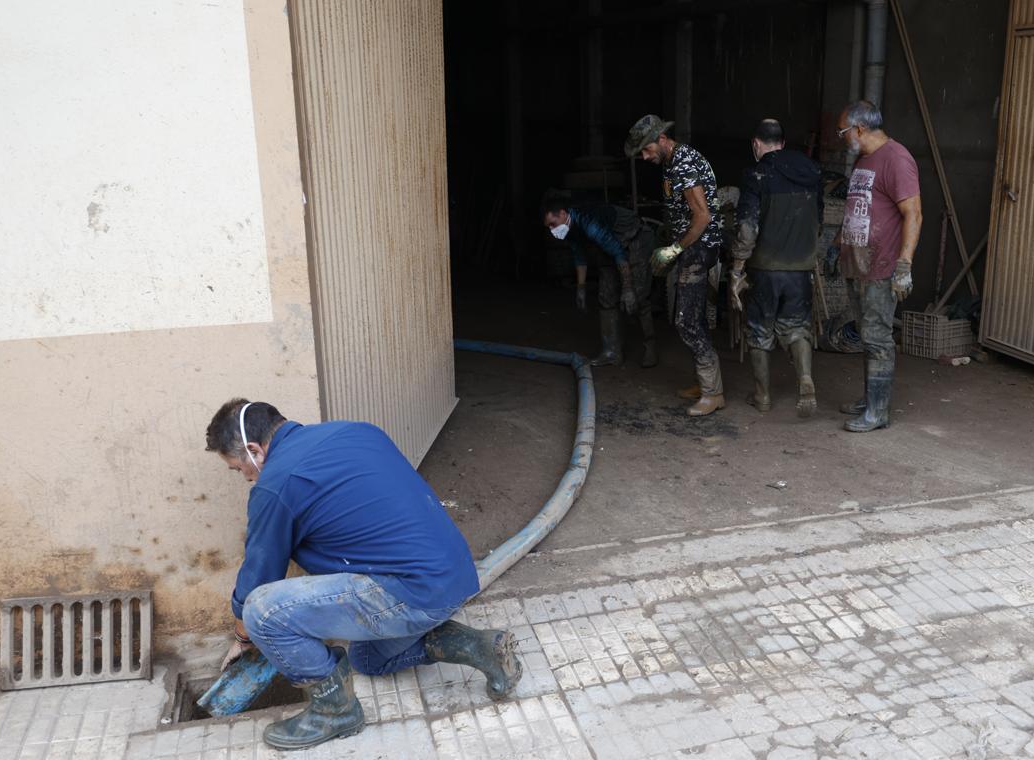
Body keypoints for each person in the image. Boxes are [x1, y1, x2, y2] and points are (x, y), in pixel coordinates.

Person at [207, 399, 522, 750]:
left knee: (262, 611)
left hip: (409, 590)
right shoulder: (356, 430)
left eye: (239, 469)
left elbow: (258, 576)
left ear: (254, 450)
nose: (247, 477)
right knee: (367, 659)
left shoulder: (275, 485)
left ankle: (334, 713)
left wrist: (244, 637)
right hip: (454, 577)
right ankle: (480, 647)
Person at [624, 114, 725, 416]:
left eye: (646, 149)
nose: (644, 156)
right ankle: (705, 383)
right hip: (690, 246)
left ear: (662, 139)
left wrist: (675, 249)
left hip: (699, 248)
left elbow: (703, 216)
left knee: (686, 320)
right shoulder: (672, 161)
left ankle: (713, 392)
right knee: (694, 317)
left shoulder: (683, 162)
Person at [834, 100, 922, 432]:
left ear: (858, 129)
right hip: (859, 264)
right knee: (867, 336)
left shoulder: (897, 159)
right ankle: (871, 397)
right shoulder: (864, 158)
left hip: (882, 266)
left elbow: (914, 213)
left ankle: (878, 411)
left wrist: (904, 265)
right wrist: (838, 246)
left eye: (843, 131)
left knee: (877, 338)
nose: (841, 137)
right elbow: (859, 208)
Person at [729, 119, 823, 417]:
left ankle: (763, 397)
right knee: (796, 328)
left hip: (765, 268)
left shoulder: (756, 174)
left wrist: (737, 269)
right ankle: (805, 378)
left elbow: (747, 227)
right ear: (782, 143)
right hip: (801, 267)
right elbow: (818, 220)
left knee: (759, 331)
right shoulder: (811, 171)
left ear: (756, 144)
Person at [542, 191, 657, 367]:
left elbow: (618, 252)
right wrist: (581, 287)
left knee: (638, 297)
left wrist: (627, 288)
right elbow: (579, 255)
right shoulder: (569, 229)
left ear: (564, 214)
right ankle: (611, 352)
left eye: (553, 224)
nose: (552, 230)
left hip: (635, 238)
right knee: (606, 297)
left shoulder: (589, 222)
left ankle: (650, 348)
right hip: (610, 244)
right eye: (548, 227)